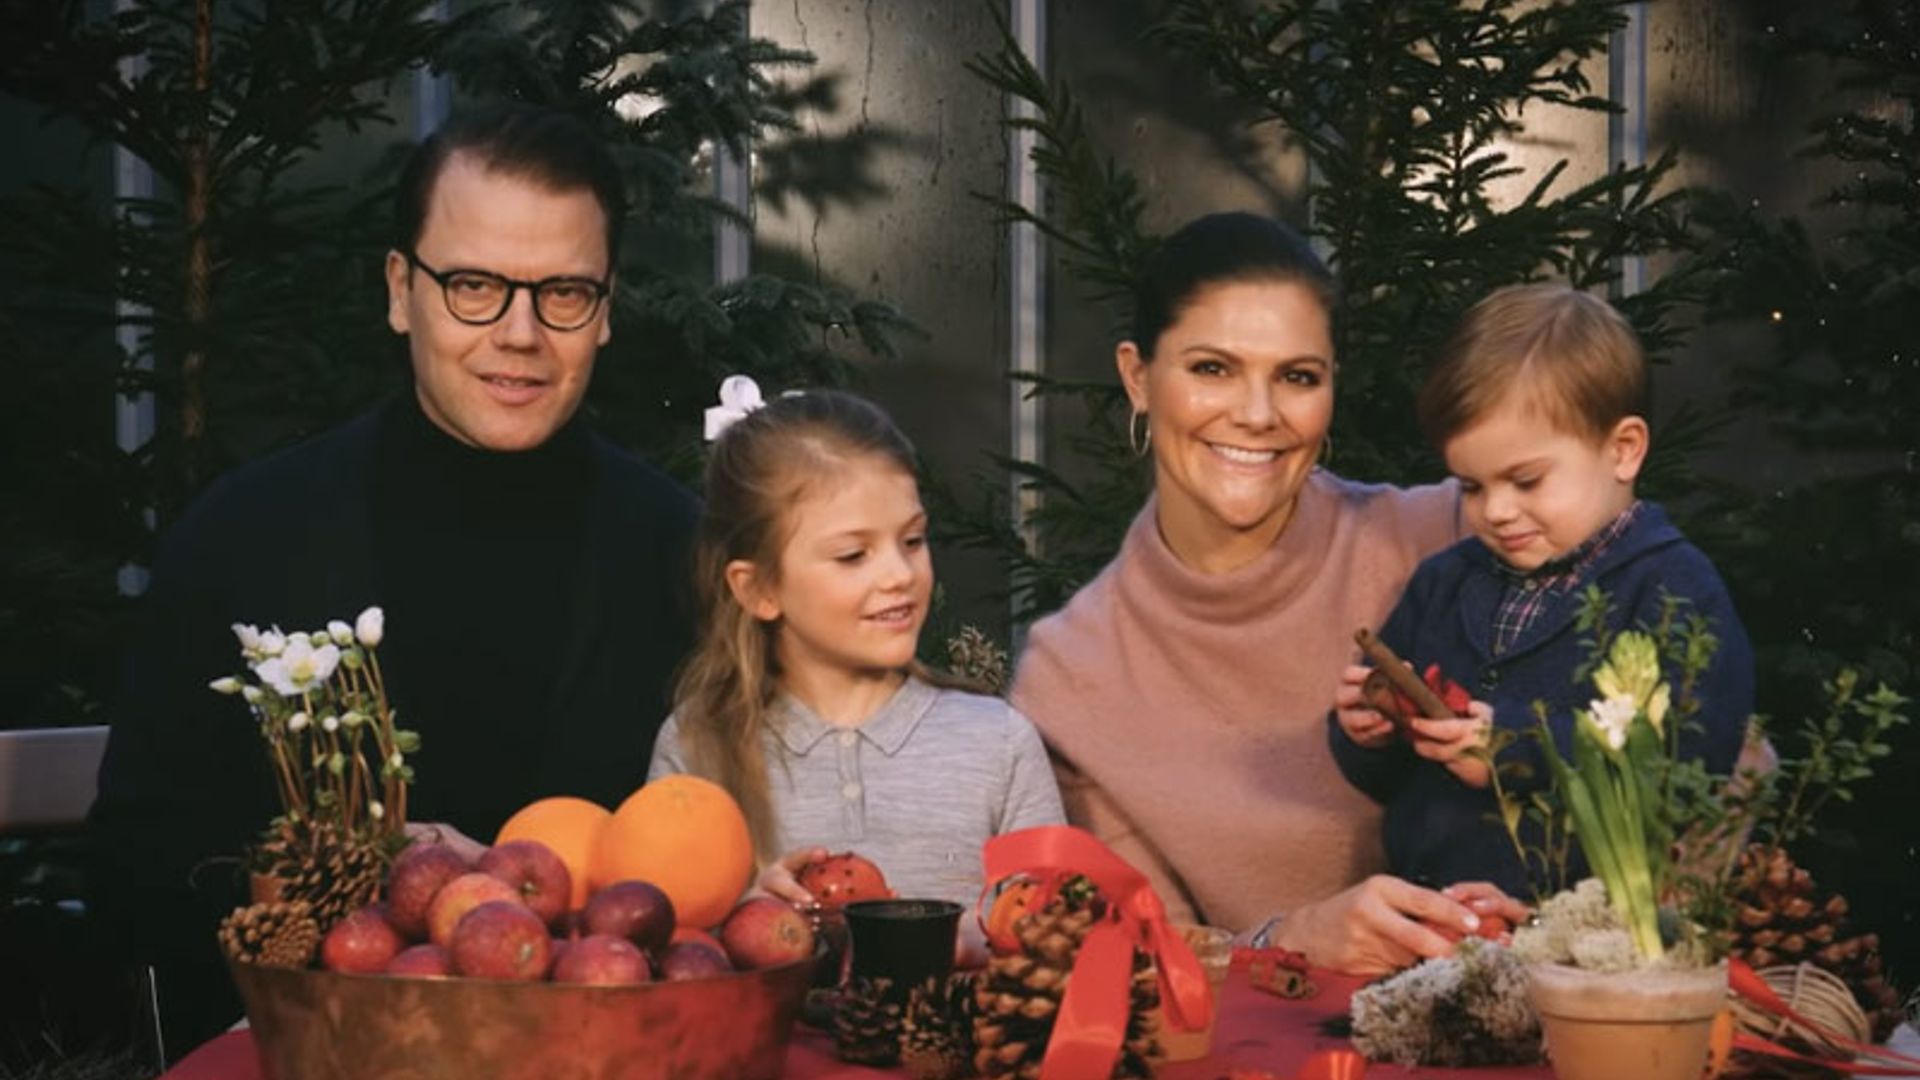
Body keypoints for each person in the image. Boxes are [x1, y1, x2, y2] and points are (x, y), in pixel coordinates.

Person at [87, 102, 698, 1050]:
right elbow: (132, 870)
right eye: (473, 286)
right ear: (399, 291)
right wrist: (329, 882)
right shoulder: (248, 533)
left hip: (615, 1058)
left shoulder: (680, 549)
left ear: (606, 310)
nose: (521, 331)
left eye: (564, 293)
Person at [1010, 211, 1526, 977]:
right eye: (1213, 368)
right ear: (1136, 376)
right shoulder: (1070, 676)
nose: (1257, 415)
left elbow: (1698, 744)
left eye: (1297, 377)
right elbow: (1150, 975)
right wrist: (1293, 940)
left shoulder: (1459, 532)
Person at [1329, 283, 1753, 897]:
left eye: (1526, 480)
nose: (1496, 510)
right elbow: (1388, 779)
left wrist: (1514, 750)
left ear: (1623, 450)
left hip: (1581, 942)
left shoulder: (1676, 590)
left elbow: (1689, 767)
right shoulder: (1444, 582)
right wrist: (1368, 731)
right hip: (1431, 916)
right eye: (1470, 486)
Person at [648, 382, 1064, 920]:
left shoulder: (998, 744)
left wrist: (980, 942)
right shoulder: (696, 747)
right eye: (852, 555)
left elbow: (1057, 937)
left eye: (912, 541)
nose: (899, 574)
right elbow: (663, 950)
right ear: (758, 590)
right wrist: (741, 917)